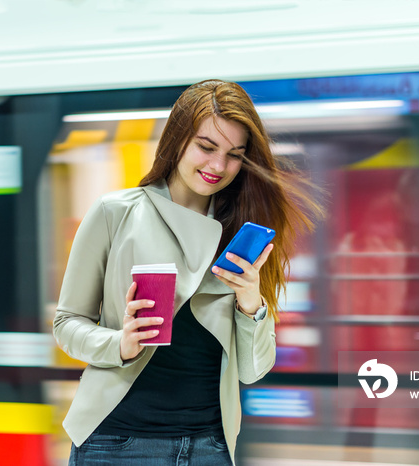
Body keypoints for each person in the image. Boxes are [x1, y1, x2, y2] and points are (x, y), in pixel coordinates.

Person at [53, 79, 323, 465]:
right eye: (206, 147)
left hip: (210, 446)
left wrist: (251, 303)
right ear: (177, 139)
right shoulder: (115, 213)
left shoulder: (243, 230)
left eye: (235, 155)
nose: (218, 166)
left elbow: (252, 371)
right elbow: (67, 323)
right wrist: (120, 344)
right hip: (117, 442)